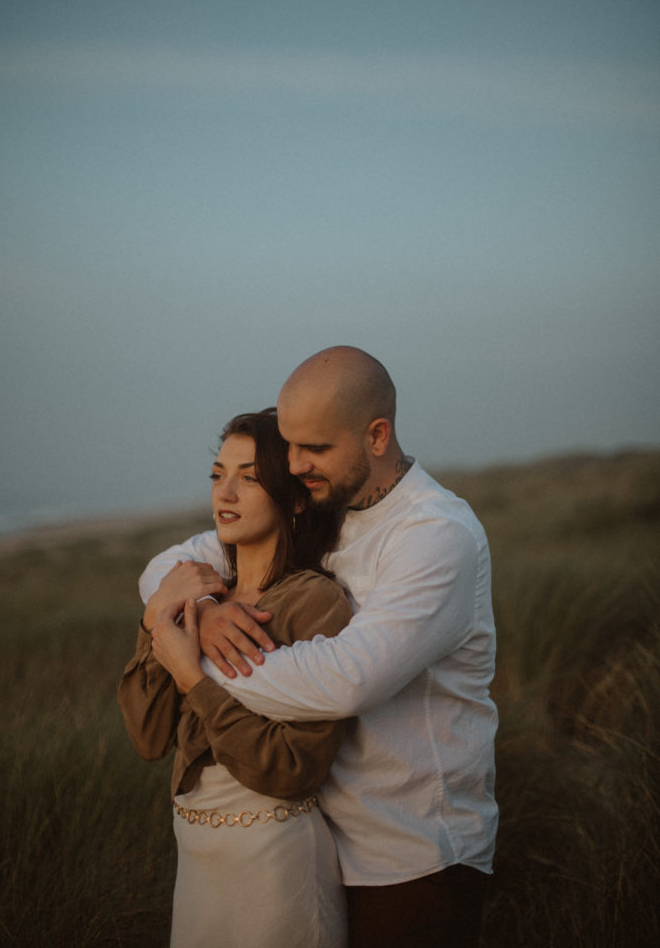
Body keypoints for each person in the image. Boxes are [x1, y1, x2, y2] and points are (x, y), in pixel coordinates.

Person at [139, 347, 498, 948]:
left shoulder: (435, 534)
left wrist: (192, 659)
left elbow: (348, 679)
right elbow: (166, 566)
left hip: (411, 854)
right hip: (316, 839)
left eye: (316, 449)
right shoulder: (325, 509)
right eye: (290, 444)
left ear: (377, 435)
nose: (296, 464)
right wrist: (202, 607)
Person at [119, 408, 352, 948]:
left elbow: (295, 768)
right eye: (218, 474)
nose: (225, 493)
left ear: (294, 497)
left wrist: (192, 678)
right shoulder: (200, 595)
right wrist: (157, 613)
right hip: (196, 852)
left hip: (274, 856)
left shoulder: (314, 600)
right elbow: (148, 738)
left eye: (249, 477)